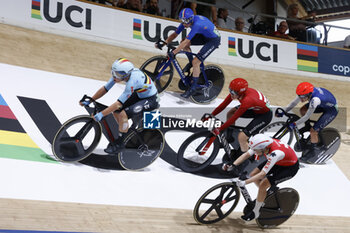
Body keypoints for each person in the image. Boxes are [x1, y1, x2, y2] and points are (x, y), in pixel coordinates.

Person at [80, 58, 159, 153]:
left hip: (150, 100)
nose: (114, 76)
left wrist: (101, 114)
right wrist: (92, 99)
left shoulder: (132, 81)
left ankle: (120, 144)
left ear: (126, 74)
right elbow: (105, 88)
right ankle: (126, 133)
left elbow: (118, 104)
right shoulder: (120, 75)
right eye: (113, 72)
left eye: (117, 74)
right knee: (116, 112)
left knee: (122, 114)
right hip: (140, 95)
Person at [203, 78, 273, 168]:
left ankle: (245, 159)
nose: (231, 94)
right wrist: (212, 114)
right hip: (256, 108)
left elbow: (233, 119)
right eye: (230, 91)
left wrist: (220, 129)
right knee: (230, 113)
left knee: (242, 136)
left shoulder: (247, 101)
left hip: (264, 116)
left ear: (240, 93)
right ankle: (231, 135)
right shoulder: (236, 92)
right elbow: (224, 104)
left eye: (233, 93)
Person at [231, 134, 299, 221]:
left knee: (263, 184)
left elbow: (262, 174)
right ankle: (264, 195)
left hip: (289, 168)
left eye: (256, 150)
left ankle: (256, 212)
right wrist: (233, 164)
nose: (254, 152)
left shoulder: (276, 153)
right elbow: (246, 155)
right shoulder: (263, 145)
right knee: (253, 174)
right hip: (280, 161)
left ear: (264, 149)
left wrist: (245, 182)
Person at [156, 8, 221, 98]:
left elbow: (186, 42)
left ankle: (193, 87)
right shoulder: (186, 21)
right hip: (204, 34)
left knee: (196, 61)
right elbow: (175, 34)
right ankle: (192, 64)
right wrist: (164, 43)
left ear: (190, 19)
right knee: (184, 42)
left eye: (185, 21)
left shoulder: (197, 24)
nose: (183, 23)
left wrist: (174, 52)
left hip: (213, 40)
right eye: (181, 20)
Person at [276, 82, 338, 160]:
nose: (301, 99)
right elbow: (294, 103)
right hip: (323, 104)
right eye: (299, 96)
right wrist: (284, 111)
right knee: (303, 110)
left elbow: (306, 116)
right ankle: (308, 126)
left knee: (313, 131)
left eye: (302, 97)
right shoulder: (304, 93)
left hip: (331, 110)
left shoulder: (315, 100)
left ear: (309, 94)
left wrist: (294, 124)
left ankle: (313, 153)